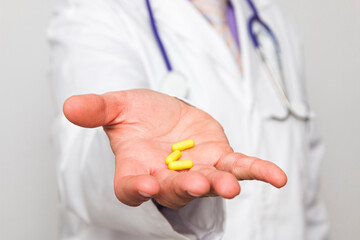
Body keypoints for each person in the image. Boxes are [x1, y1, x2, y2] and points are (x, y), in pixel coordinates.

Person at [48, 0, 329, 239]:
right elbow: (81, 171)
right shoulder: (97, 13)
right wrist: (136, 159)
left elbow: (308, 192)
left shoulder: (272, 20)